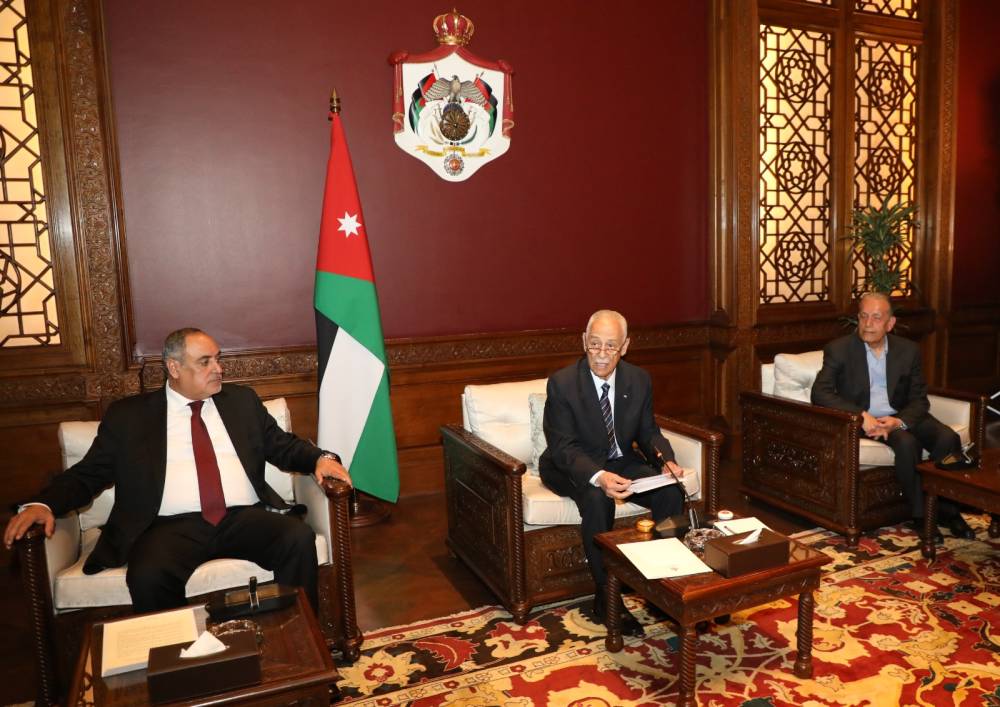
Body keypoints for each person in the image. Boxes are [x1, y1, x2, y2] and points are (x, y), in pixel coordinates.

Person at [3, 327, 351, 612]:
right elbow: (89, 473)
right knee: (148, 574)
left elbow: (282, 445)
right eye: (205, 362)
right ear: (173, 367)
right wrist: (44, 504)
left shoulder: (241, 402)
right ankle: (180, 662)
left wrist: (319, 458)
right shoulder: (130, 417)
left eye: (218, 359)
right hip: (168, 526)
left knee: (296, 538)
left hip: (241, 517)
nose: (218, 369)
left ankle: (299, 642)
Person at [539, 310, 685, 636]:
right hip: (570, 463)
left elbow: (648, 432)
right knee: (597, 498)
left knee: (670, 491)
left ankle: (662, 580)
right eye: (595, 345)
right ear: (584, 342)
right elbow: (562, 446)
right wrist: (599, 476)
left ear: (625, 347)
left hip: (620, 460)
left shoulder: (638, 379)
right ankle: (606, 595)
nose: (602, 354)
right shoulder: (563, 383)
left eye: (611, 346)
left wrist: (665, 460)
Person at [811, 293, 974, 541]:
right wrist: (860, 414)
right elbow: (819, 393)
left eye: (876, 318)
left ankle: (948, 511)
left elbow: (919, 399)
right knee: (907, 444)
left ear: (890, 323)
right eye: (864, 316)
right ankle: (921, 516)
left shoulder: (908, 350)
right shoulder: (839, 349)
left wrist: (900, 421)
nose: (868, 324)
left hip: (901, 415)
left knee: (948, 438)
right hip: (866, 420)